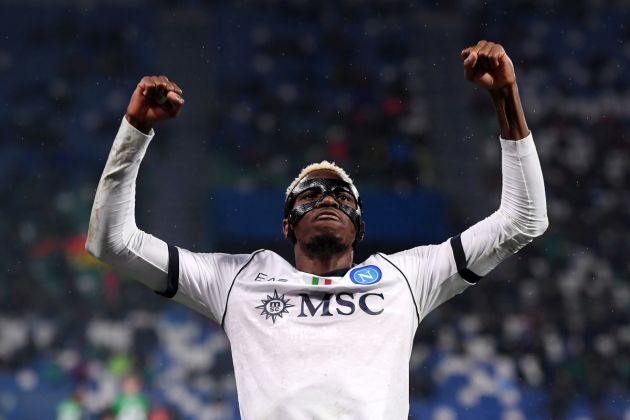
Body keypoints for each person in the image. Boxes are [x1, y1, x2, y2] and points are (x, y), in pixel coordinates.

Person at [86, 40, 548, 419]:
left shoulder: (407, 277)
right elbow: (112, 243)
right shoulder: (237, 280)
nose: (328, 198)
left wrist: (506, 97)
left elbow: (523, 221)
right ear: (287, 224)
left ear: (358, 226)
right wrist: (135, 130)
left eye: (342, 196)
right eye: (311, 194)